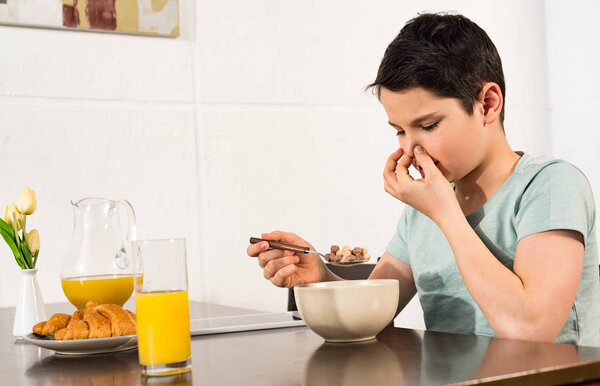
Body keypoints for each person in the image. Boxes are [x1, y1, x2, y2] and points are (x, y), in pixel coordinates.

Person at [246, 13, 600, 346]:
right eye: (400, 131)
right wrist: (321, 278)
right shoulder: (428, 203)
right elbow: (375, 312)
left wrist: (445, 213)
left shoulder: (551, 185)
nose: (412, 149)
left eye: (428, 126)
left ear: (488, 104)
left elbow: (530, 330)